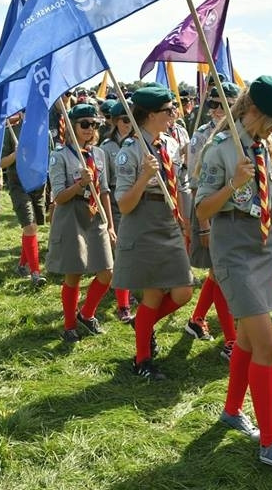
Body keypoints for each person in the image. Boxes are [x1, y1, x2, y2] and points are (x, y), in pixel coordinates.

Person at [195, 76, 272, 469]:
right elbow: (202, 210)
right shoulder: (220, 149)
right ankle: (269, 442)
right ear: (255, 111)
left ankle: (232, 410)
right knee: (267, 345)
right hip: (232, 247)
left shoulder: (268, 147)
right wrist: (233, 183)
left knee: (247, 339)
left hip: (261, 248)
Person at [112, 84, 194, 380]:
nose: (174, 113)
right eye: (168, 110)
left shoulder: (170, 144)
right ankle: (142, 360)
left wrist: (184, 219)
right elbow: (124, 204)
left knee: (184, 291)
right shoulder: (131, 150)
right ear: (150, 115)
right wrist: (145, 176)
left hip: (169, 220)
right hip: (143, 220)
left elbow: (180, 185)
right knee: (153, 294)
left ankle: (143, 326)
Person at [46, 103, 117, 343]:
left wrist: (110, 224)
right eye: (84, 124)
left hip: (95, 214)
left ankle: (86, 314)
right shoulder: (59, 156)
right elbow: (58, 197)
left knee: (107, 272)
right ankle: (69, 326)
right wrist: (79, 185)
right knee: (74, 274)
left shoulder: (99, 154)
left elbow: (104, 191)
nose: (90, 128)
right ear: (72, 126)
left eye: (94, 124)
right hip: (71, 216)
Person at [184, 82, 241, 360]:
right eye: (213, 104)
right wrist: (204, 226)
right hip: (211, 214)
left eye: (223, 104)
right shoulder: (202, 137)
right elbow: (196, 185)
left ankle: (196, 319)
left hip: (237, 215)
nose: (217, 110)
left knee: (217, 274)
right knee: (219, 274)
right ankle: (231, 340)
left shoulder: (241, 135)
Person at [98, 100, 137, 322]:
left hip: (137, 198)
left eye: (131, 119)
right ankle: (123, 303)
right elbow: (104, 183)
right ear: (114, 121)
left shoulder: (138, 143)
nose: (128, 124)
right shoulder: (107, 148)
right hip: (116, 199)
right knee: (122, 251)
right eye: (124, 120)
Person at [0, 112, 47, 286]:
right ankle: (35, 273)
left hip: (39, 185)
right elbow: (1, 163)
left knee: (33, 227)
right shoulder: (10, 132)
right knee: (29, 226)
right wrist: (15, 154)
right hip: (18, 184)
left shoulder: (45, 132)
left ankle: (21, 265)